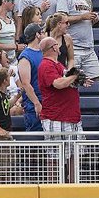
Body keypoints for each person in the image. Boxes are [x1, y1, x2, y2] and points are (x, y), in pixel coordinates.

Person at [38, 35, 88, 181]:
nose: (59, 47)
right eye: (57, 45)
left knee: (74, 154)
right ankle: (53, 188)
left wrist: (79, 79)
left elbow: (67, 78)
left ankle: (73, 185)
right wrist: (75, 76)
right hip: (56, 118)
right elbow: (58, 83)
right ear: (54, 47)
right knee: (55, 157)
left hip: (70, 117)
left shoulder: (58, 65)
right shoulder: (46, 65)